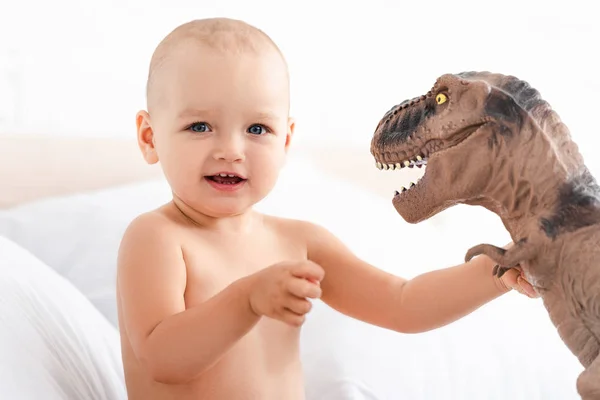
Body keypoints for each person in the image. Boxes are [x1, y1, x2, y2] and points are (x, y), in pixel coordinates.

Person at [116, 17, 538, 400]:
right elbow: (162, 359)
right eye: (200, 126)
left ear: (285, 140)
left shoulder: (299, 242)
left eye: (257, 128)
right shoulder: (156, 238)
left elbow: (401, 303)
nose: (230, 150)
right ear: (150, 138)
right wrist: (247, 299)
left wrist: (496, 271)